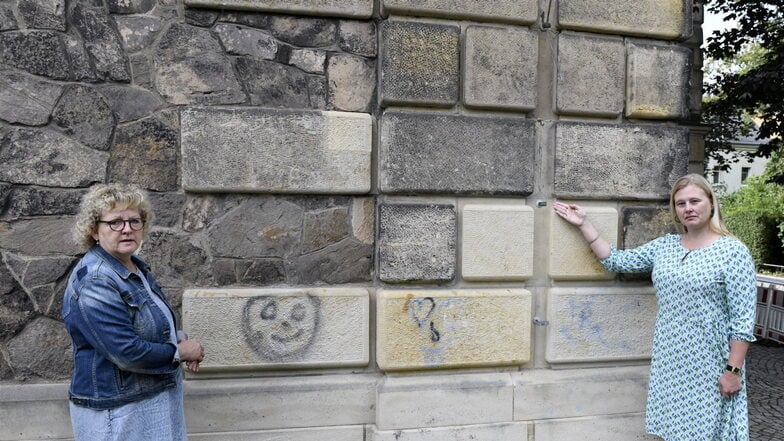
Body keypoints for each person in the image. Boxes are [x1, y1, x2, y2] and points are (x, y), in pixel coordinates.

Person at [553, 173, 757, 441]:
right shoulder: (666, 246)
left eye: (695, 201)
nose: (688, 208)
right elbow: (618, 261)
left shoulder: (733, 251)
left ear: (711, 203)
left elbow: (743, 320)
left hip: (710, 362)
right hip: (670, 360)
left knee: (705, 432)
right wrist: (584, 225)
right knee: (672, 432)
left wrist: (732, 371)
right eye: (681, 203)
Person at [62, 183, 205, 441]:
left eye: (134, 221)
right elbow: (126, 352)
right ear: (94, 230)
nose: (127, 229)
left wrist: (177, 338)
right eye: (115, 222)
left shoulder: (133, 268)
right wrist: (180, 352)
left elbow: (147, 324)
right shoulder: (96, 280)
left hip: (150, 401)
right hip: (119, 410)